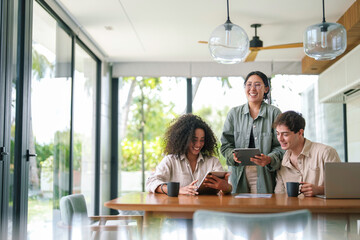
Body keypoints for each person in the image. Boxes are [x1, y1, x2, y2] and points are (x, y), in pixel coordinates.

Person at [221, 71, 284, 193]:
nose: (252, 89)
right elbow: (226, 145)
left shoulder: (275, 113)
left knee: (262, 209)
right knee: (239, 209)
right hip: (238, 174)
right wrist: (232, 156)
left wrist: (269, 159)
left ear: (266, 89)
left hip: (265, 174)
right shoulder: (234, 114)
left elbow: (281, 146)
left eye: (257, 85)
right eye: (249, 84)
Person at [146, 114, 232, 195]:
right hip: (179, 209)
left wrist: (226, 188)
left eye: (202, 140)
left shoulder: (212, 162)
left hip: (204, 209)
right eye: (194, 140)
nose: (198, 144)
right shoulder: (171, 160)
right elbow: (151, 183)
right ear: (184, 139)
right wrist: (177, 190)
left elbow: (227, 189)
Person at [273, 111, 341, 197]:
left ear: (300, 133)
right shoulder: (283, 161)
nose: (280, 139)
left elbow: (342, 188)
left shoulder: (326, 152)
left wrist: (319, 190)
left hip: (321, 210)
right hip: (294, 210)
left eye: (285, 134)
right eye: (278, 134)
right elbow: (279, 195)